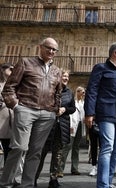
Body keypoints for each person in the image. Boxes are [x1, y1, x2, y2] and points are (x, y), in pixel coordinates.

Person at [0, 37, 62, 188]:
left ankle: (27, 184)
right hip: (25, 109)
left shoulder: (57, 71)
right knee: (20, 147)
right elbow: (9, 87)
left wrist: (54, 111)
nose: (51, 51)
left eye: (54, 49)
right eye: (49, 47)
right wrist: (16, 106)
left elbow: (58, 93)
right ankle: (6, 183)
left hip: (47, 114)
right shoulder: (25, 62)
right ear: (40, 47)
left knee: (36, 152)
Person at [84, 42, 116, 188]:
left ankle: (108, 182)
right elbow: (92, 91)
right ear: (114, 53)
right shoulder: (100, 68)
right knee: (107, 148)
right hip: (105, 113)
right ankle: (103, 184)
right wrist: (89, 112)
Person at [34, 69, 76, 188]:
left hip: (61, 126)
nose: (66, 78)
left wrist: (65, 109)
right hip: (47, 125)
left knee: (58, 154)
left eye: (67, 77)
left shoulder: (69, 92)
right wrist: (54, 109)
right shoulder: (49, 89)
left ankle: (54, 179)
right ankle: (34, 178)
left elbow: (72, 108)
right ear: (58, 77)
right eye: (64, 76)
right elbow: (42, 103)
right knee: (41, 152)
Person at [60, 86, 86, 176]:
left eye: (84, 92)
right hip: (72, 125)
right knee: (67, 146)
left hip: (80, 125)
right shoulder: (73, 102)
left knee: (76, 147)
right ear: (77, 92)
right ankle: (60, 169)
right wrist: (70, 125)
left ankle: (75, 168)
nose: (83, 94)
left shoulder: (83, 103)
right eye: (82, 92)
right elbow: (70, 114)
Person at [0, 63, 14, 163]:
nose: (13, 71)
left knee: (8, 148)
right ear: (3, 70)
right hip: (1, 117)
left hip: (10, 121)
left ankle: (6, 174)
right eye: (11, 69)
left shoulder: (14, 85)